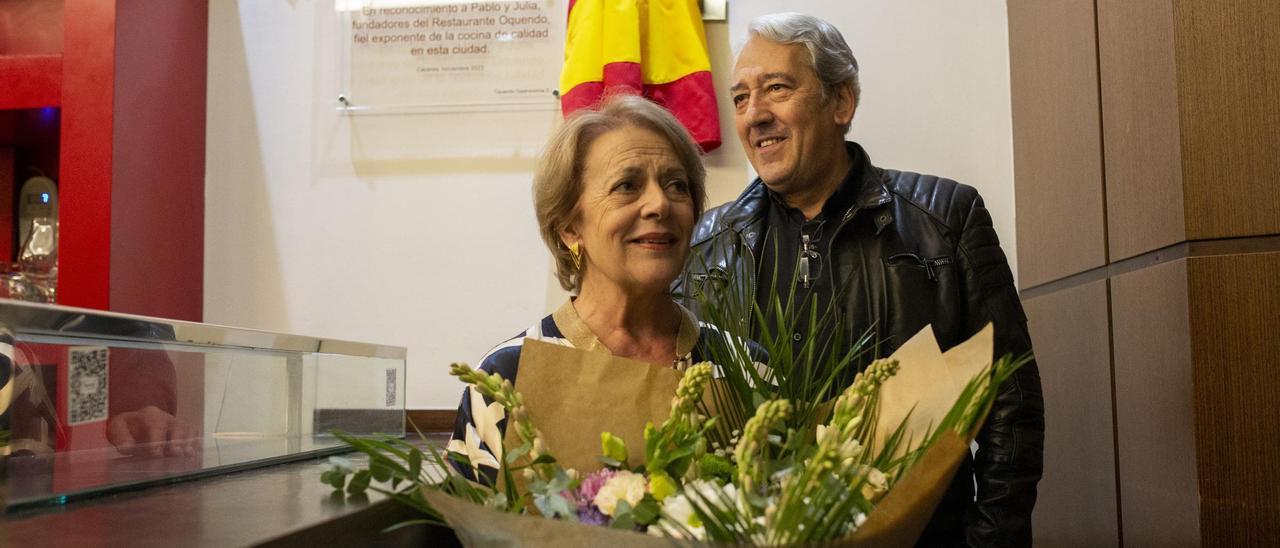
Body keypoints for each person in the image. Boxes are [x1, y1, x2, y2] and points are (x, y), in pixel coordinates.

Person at [676, 13, 1045, 547]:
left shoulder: (946, 221)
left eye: (776, 88)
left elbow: (1013, 406)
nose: (754, 115)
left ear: (841, 103)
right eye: (739, 98)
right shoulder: (704, 245)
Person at [448, 95, 714, 481]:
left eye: (677, 185)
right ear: (570, 225)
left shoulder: (744, 369)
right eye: (627, 185)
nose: (660, 204)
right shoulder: (506, 378)